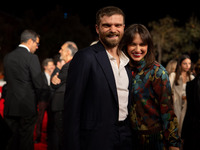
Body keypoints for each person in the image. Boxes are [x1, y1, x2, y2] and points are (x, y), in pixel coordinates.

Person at [63, 6, 133, 150]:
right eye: (107, 25)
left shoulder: (128, 61)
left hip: (125, 137)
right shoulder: (85, 57)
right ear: (97, 28)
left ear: (123, 28)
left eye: (117, 25)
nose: (113, 29)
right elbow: (72, 109)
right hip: (95, 140)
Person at [119, 24, 181, 150]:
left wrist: (173, 144)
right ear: (125, 45)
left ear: (148, 45)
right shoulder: (121, 69)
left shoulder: (158, 72)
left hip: (154, 139)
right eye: (133, 44)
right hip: (127, 139)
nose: (137, 49)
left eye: (142, 44)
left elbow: (167, 111)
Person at [3, 29, 43, 150]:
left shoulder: (7, 57)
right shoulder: (32, 58)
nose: (37, 47)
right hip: (27, 107)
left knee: (10, 140)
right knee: (26, 140)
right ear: (30, 41)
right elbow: (39, 84)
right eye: (37, 44)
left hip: (10, 106)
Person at [50, 41, 78, 150]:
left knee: (63, 137)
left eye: (61, 49)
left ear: (67, 52)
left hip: (62, 106)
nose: (59, 51)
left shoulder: (69, 66)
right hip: (63, 105)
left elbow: (55, 84)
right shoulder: (70, 65)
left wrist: (54, 79)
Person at [169, 54, 194, 137]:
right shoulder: (173, 75)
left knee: (183, 125)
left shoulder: (191, 77)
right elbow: (168, 90)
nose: (187, 66)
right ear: (180, 64)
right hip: (176, 104)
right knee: (175, 124)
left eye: (189, 63)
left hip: (187, 105)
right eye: (185, 63)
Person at [34, 58, 55, 143]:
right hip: (42, 100)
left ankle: (48, 137)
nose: (52, 67)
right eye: (50, 65)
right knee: (40, 119)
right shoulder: (40, 76)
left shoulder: (55, 75)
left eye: (53, 65)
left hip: (52, 101)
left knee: (51, 120)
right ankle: (38, 137)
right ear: (45, 67)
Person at [181, 61, 200, 150]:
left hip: (192, 127)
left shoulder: (190, 85)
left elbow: (190, 110)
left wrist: (184, 132)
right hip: (193, 127)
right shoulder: (191, 85)